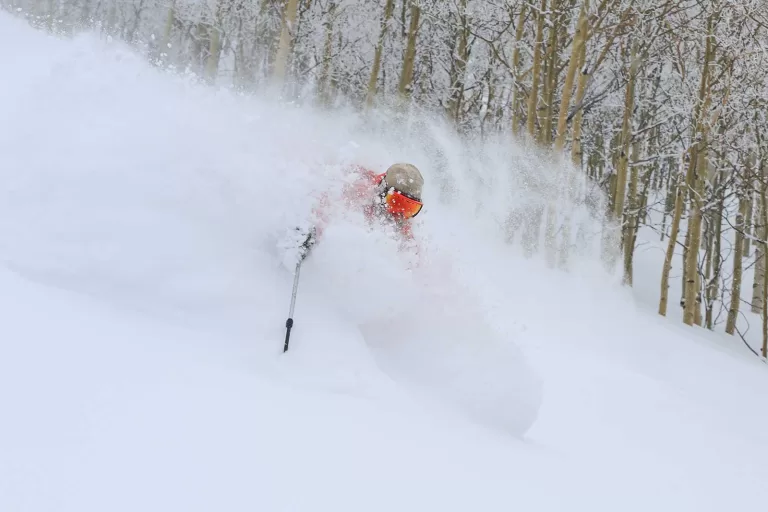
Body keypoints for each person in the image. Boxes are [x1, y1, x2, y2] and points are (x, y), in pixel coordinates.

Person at [295, 162, 425, 261]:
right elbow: (327, 204)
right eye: (395, 202)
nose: (399, 214)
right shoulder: (360, 190)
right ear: (382, 190)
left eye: (410, 208)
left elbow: (412, 253)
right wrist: (312, 228)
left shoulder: (400, 220)